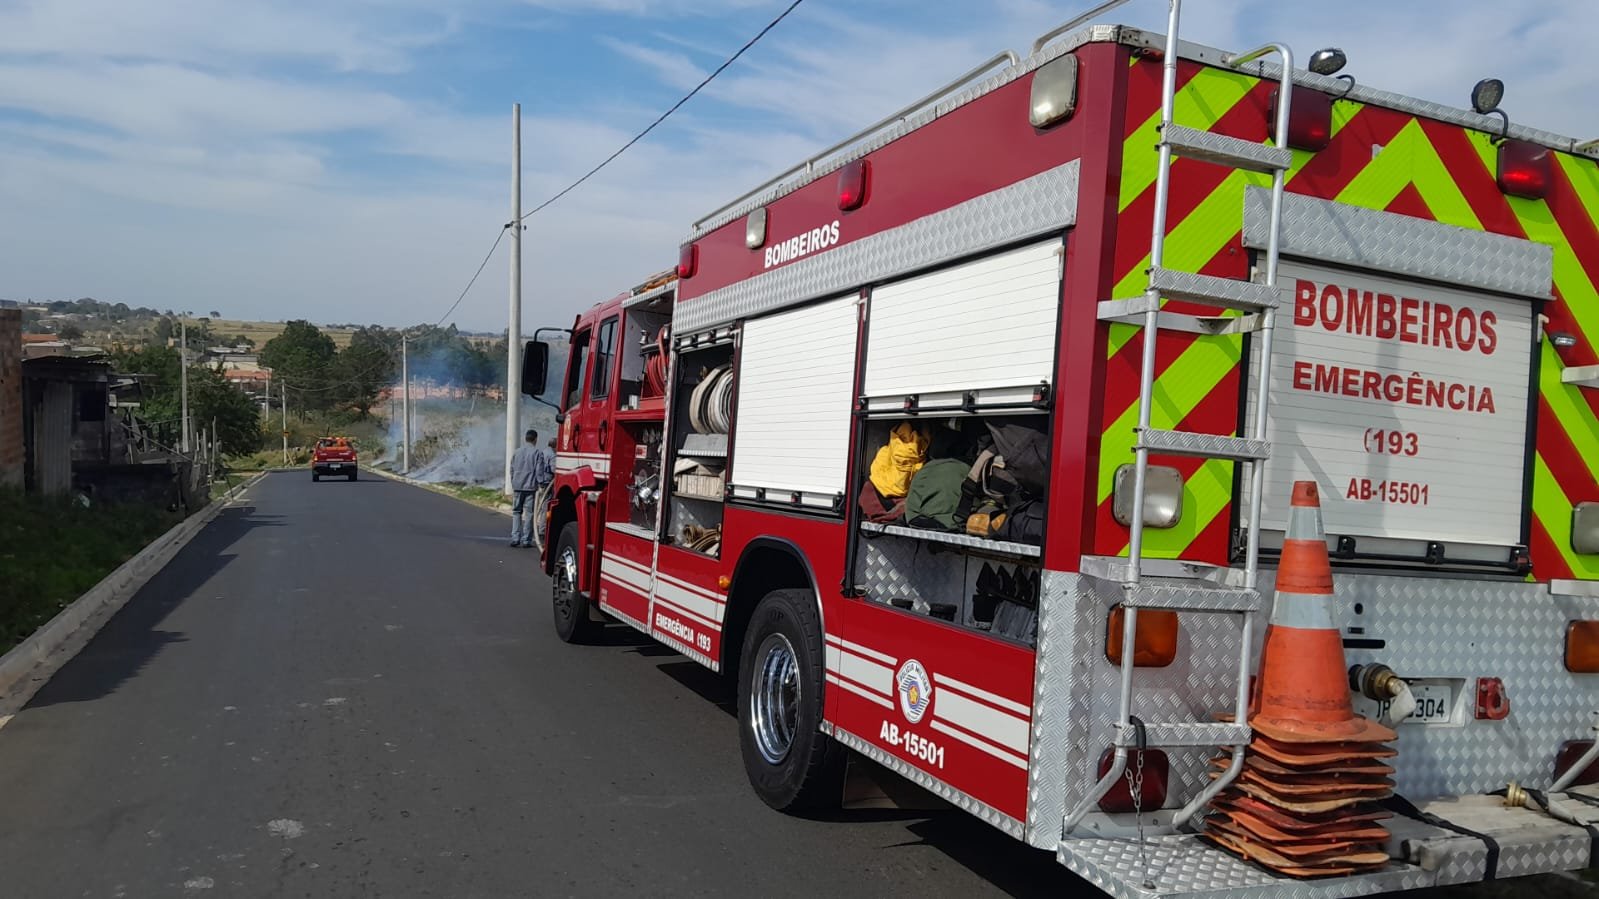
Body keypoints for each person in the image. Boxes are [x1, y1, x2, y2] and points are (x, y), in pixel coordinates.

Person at [509, 429, 543, 548]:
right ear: (535, 439)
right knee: (529, 514)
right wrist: (541, 483)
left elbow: (511, 469)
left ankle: (515, 538)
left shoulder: (517, 452)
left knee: (516, 512)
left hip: (517, 486)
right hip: (530, 487)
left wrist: (513, 482)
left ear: (525, 439)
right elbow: (539, 471)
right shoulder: (537, 452)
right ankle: (526, 540)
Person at [530, 436, 557, 546]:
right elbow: (554, 469)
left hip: (541, 482)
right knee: (546, 507)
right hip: (548, 483)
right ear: (555, 446)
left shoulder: (543, 452)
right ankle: (542, 530)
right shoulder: (552, 455)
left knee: (542, 507)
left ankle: (541, 529)